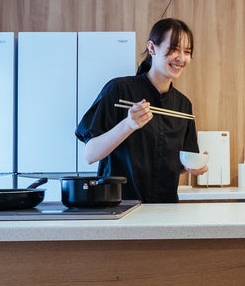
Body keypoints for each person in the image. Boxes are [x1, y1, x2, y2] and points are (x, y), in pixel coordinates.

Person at [75, 18, 207, 203]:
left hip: (164, 208)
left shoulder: (183, 105)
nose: (181, 58)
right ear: (152, 48)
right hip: (120, 206)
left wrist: (194, 167)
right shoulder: (119, 90)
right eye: (174, 49)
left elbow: (178, 164)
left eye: (187, 52)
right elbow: (90, 155)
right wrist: (128, 124)